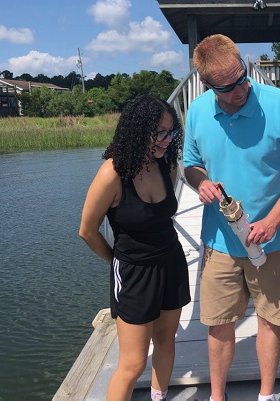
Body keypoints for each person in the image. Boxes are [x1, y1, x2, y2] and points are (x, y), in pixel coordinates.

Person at [183, 34, 280, 401]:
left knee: (271, 318)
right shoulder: (197, 111)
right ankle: (217, 396)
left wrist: (273, 220)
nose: (240, 90)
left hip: (276, 238)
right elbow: (190, 164)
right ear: (207, 84)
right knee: (218, 323)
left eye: (242, 79)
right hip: (219, 240)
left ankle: (266, 395)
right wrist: (201, 182)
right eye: (228, 88)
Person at [79, 94, 191, 401]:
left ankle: (158, 397)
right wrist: (116, 261)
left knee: (167, 341)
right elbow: (87, 231)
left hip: (171, 261)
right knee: (132, 363)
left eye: (171, 132)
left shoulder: (165, 163)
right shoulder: (112, 174)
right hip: (134, 272)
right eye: (161, 133)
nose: (168, 140)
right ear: (138, 131)